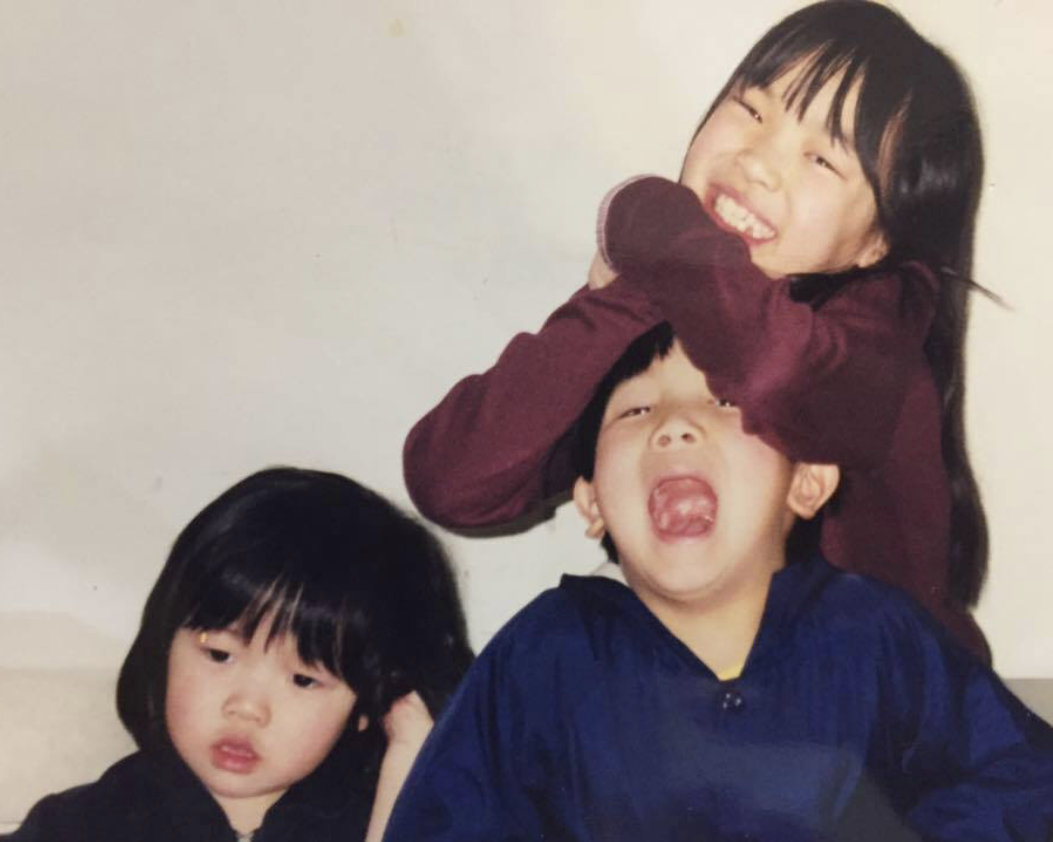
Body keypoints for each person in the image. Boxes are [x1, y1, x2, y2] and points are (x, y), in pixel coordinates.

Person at [403, 0, 992, 658]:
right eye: (752, 110)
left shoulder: (877, 333)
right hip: (725, 708)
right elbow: (453, 481)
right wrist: (629, 295)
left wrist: (643, 218)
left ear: (879, 240)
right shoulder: (677, 287)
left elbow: (776, 373)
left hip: (895, 720)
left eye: (821, 159)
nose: (758, 163)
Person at [385, 324, 1053, 842]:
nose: (675, 423)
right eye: (636, 410)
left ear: (807, 479)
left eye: (727, 400)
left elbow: (1024, 776)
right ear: (591, 501)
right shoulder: (544, 653)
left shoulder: (873, 631)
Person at [9, 467, 472, 842]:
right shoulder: (77, 828)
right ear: (165, 643)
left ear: (370, 706)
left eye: (303, 679)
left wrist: (408, 765)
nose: (246, 707)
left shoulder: (378, 819)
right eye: (219, 655)